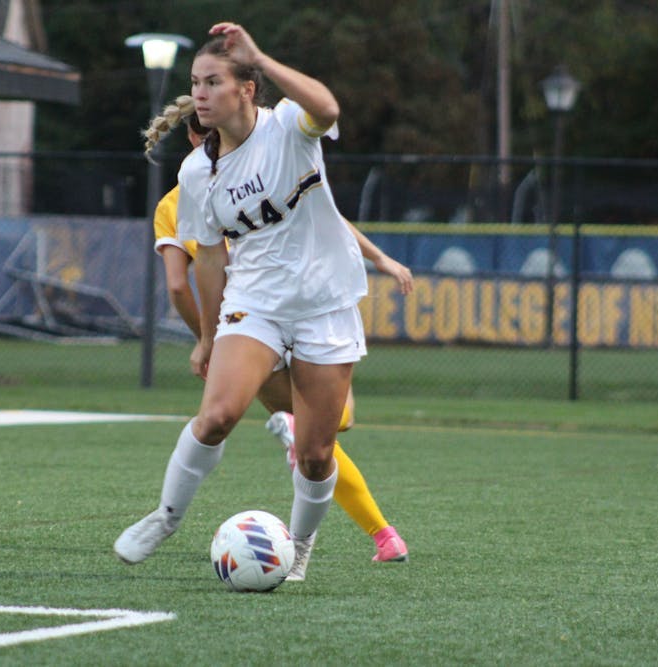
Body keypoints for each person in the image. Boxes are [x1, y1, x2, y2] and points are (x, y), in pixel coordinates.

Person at [114, 23, 381, 579]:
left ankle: (299, 546)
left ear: (247, 89)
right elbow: (209, 260)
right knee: (215, 417)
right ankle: (165, 517)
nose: (201, 94)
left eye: (213, 82)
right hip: (254, 303)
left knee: (314, 453)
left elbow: (328, 107)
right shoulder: (195, 171)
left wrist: (261, 54)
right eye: (196, 83)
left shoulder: (288, 127)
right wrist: (210, 336)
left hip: (325, 303)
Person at [150, 106, 411, 575]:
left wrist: (207, 340)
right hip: (291, 304)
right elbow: (329, 218)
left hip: (248, 319)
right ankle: (380, 532)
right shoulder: (256, 164)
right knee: (326, 433)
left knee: (322, 431)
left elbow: (176, 285)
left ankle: (375, 529)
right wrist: (381, 259)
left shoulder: (175, 200)